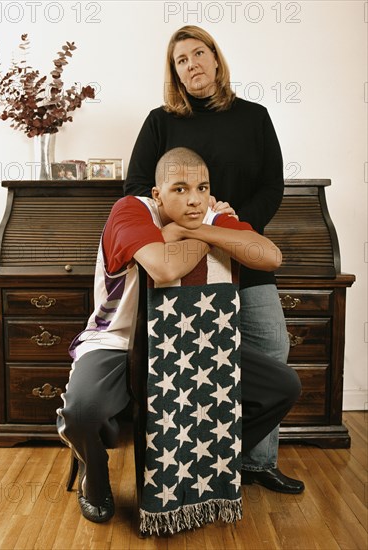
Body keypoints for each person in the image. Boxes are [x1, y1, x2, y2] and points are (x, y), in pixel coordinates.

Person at [57, 147, 301, 524]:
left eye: (202, 188)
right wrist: (216, 233)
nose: (193, 199)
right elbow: (163, 268)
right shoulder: (130, 209)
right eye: (180, 189)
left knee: (282, 386)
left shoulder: (206, 217)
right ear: (158, 194)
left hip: (196, 344)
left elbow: (269, 257)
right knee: (81, 411)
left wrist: (193, 229)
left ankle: (211, 458)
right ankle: (96, 475)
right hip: (118, 340)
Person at [124, 25, 304, 494]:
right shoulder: (160, 121)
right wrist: (189, 229)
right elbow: (137, 188)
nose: (191, 65)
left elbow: (273, 187)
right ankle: (200, 457)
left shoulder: (255, 117)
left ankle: (256, 461)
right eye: (180, 61)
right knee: (192, 361)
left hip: (245, 251)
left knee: (271, 352)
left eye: (198, 54)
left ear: (217, 60)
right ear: (175, 74)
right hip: (184, 263)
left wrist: (237, 224)